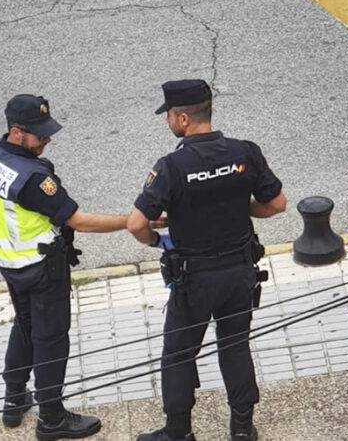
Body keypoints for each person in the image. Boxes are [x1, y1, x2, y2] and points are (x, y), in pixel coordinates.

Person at [0, 94, 164, 440]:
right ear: (16, 132)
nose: (47, 140)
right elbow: (80, 221)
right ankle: (52, 419)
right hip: (42, 266)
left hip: (8, 261)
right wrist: (132, 220)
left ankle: (14, 399)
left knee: (25, 327)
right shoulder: (32, 178)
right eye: (40, 135)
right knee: (51, 341)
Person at [126, 79, 287, 441]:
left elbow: (135, 224)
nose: (168, 121)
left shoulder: (172, 166)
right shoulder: (244, 152)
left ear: (182, 118)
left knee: (179, 354)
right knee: (235, 346)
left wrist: (158, 241)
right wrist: (234, 205)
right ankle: (242, 430)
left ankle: (179, 432)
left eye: (168, 115)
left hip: (193, 280)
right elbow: (277, 204)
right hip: (238, 274)